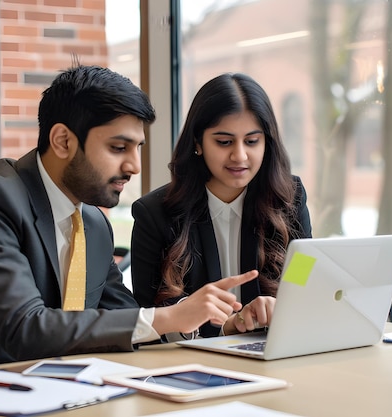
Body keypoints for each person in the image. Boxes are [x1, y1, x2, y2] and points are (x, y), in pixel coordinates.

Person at [0, 64, 258, 376]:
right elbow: (25, 329)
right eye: (119, 148)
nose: (134, 166)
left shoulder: (93, 225)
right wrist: (167, 317)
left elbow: (126, 322)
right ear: (63, 141)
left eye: (137, 148)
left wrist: (192, 320)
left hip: (47, 394)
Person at [131, 72, 312, 339]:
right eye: (224, 142)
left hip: (272, 351)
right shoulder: (155, 214)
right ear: (197, 143)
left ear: (267, 142)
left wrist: (282, 307)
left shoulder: (290, 199)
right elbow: (149, 319)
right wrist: (227, 326)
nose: (239, 155)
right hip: (190, 364)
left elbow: (303, 275)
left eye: (252, 141)